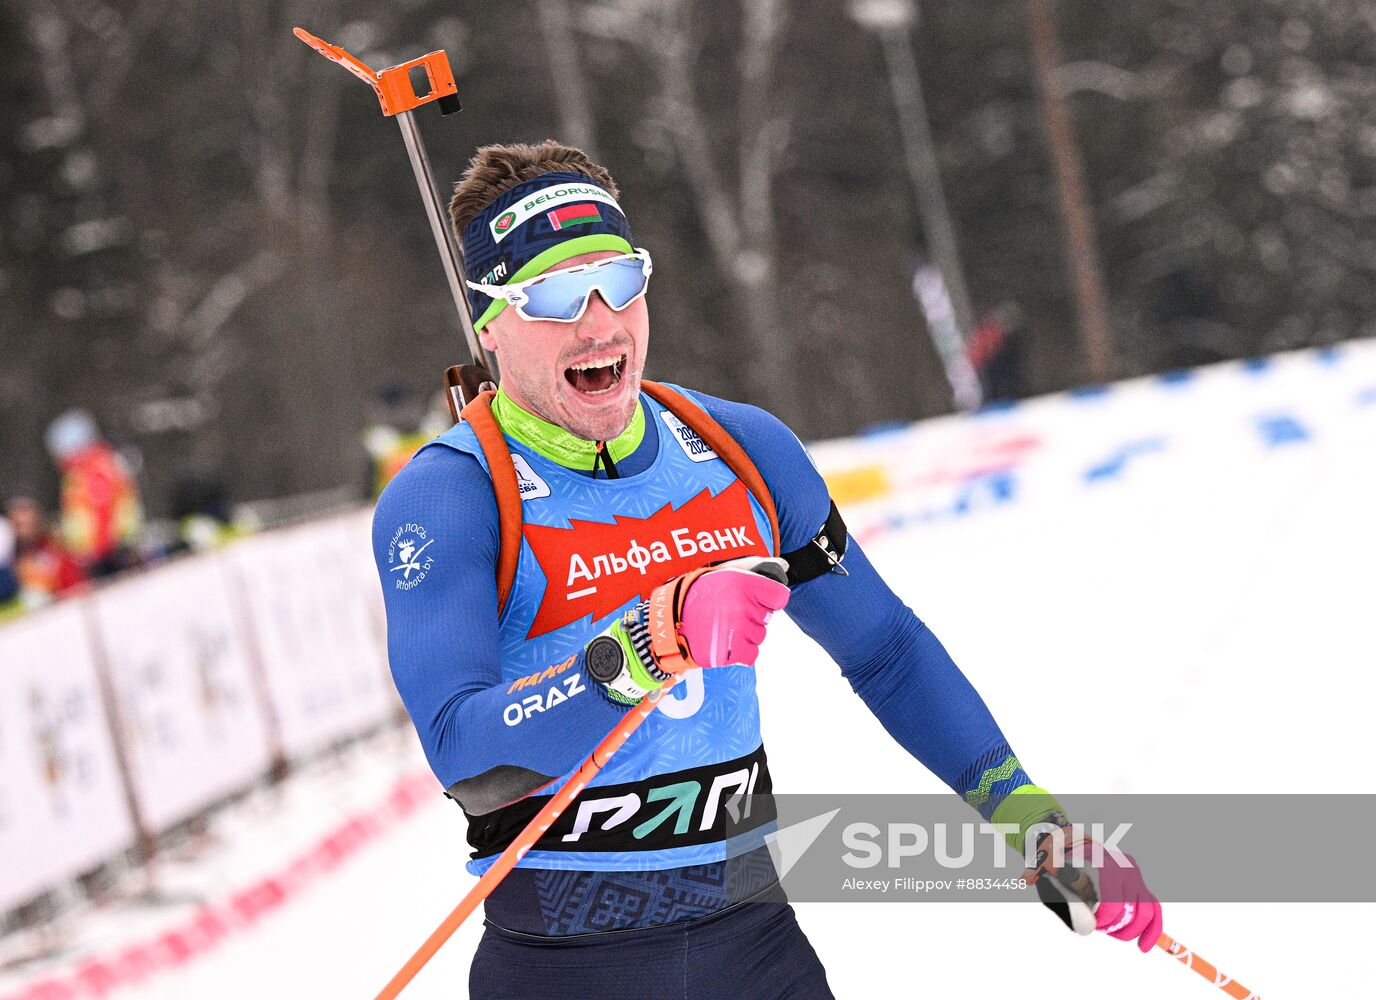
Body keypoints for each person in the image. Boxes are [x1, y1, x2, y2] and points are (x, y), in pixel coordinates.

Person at [372, 141, 1160, 999]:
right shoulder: (452, 496)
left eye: (621, 281)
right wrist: (642, 645)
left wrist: (1026, 815)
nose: (599, 324)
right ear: (489, 321)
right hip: (565, 966)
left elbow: (886, 650)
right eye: (557, 294)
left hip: (754, 950)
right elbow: (465, 756)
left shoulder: (738, 449)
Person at [44, 410, 143, 579]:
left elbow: (103, 510)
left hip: (108, 556)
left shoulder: (96, 468)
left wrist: (100, 554)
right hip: (96, 555)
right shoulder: (80, 471)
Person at [5, 496, 87, 608]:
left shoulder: (55, 548)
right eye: (19, 525)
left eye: (29, 524)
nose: (24, 531)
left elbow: (76, 586)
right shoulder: (11, 559)